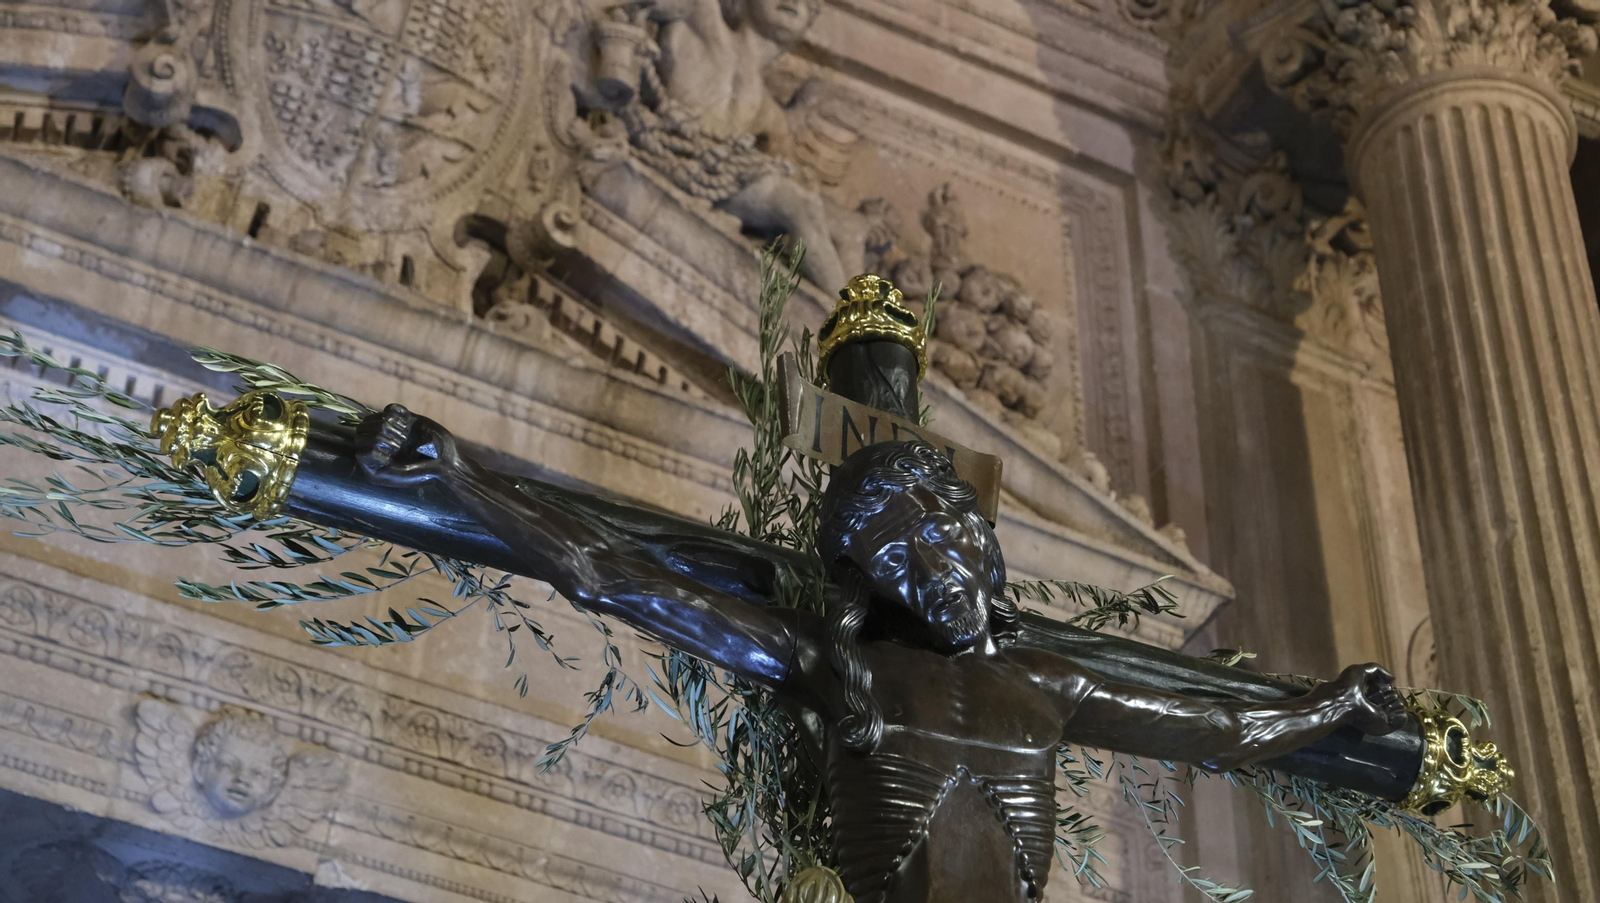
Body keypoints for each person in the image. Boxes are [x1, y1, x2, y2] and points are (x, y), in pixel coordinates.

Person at [356, 406, 1407, 903]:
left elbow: (1222, 727)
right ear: (872, 584)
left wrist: (1330, 710)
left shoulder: (1049, 683)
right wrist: (459, 478)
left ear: (980, 544)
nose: (933, 566)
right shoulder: (838, 669)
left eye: (944, 537)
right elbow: (614, 577)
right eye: (899, 556)